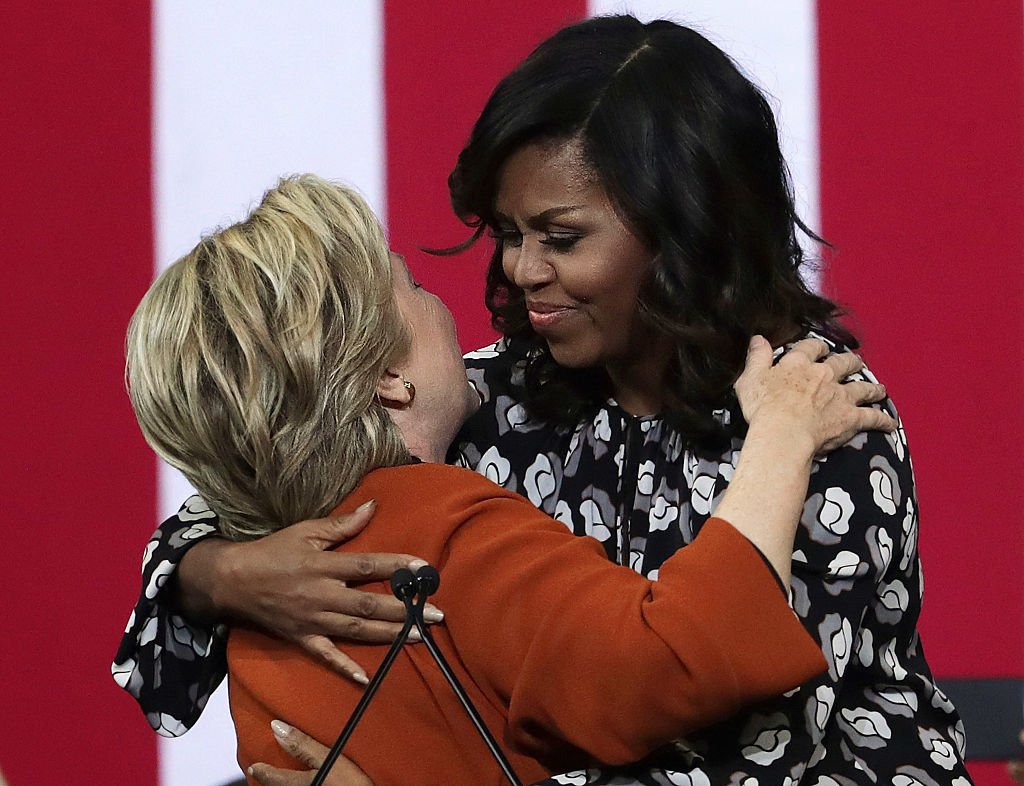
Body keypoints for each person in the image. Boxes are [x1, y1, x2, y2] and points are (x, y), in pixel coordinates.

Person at [113, 14, 970, 785]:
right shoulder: (481, 396)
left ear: (683, 230)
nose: (521, 269)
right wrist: (220, 576)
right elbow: (256, 478)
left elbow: (741, 747)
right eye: (509, 233)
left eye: (561, 237)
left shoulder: (814, 412)